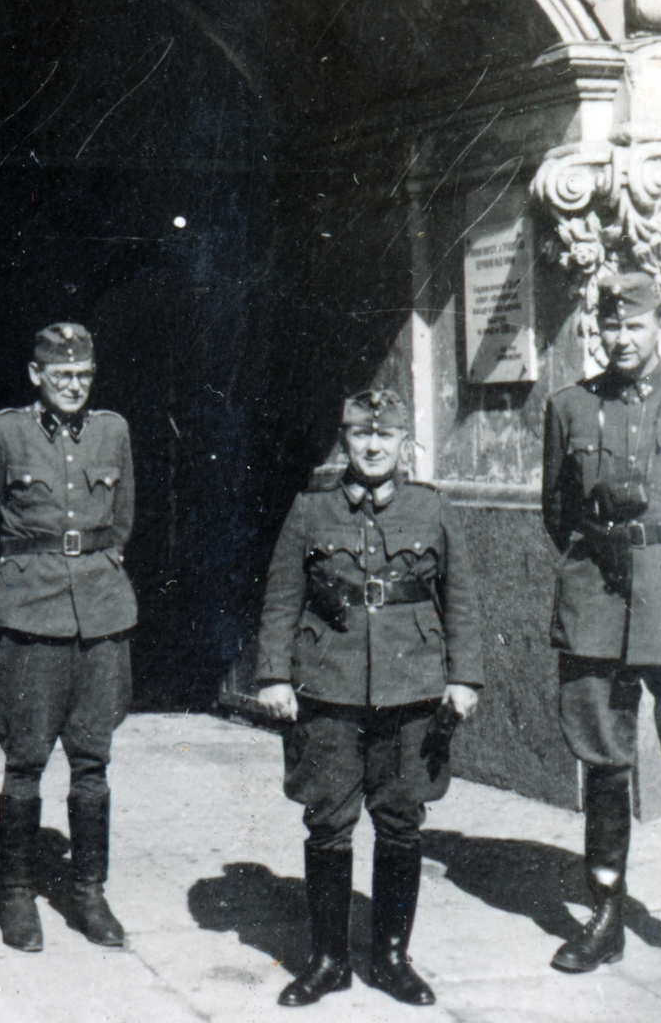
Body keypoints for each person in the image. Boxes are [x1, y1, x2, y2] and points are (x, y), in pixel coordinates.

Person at [256, 389, 483, 1008]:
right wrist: (274, 675)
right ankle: (329, 961)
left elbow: (459, 598)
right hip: (328, 686)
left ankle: (390, 959)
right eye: (361, 436)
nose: (374, 446)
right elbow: (282, 596)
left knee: (401, 819)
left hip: (412, 688)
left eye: (385, 436)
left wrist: (465, 678)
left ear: (404, 442)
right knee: (328, 820)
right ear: (346, 441)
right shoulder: (310, 510)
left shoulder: (431, 508)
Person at [0, 322, 136, 953]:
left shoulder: (113, 431)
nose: (73, 385)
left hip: (101, 615)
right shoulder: (5, 434)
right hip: (30, 616)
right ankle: (17, 895)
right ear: (36, 375)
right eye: (61, 375)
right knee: (25, 761)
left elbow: (121, 525)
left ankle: (90, 893)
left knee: (93, 762)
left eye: (83, 375)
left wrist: (96, 572)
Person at [542, 270, 661, 974]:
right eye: (611, 326)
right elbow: (556, 514)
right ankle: (603, 916)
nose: (623, 338)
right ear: (595, 329)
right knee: (601, 764)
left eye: (636, 324)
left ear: (660, 323)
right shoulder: (567, 407)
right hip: (596, 602)